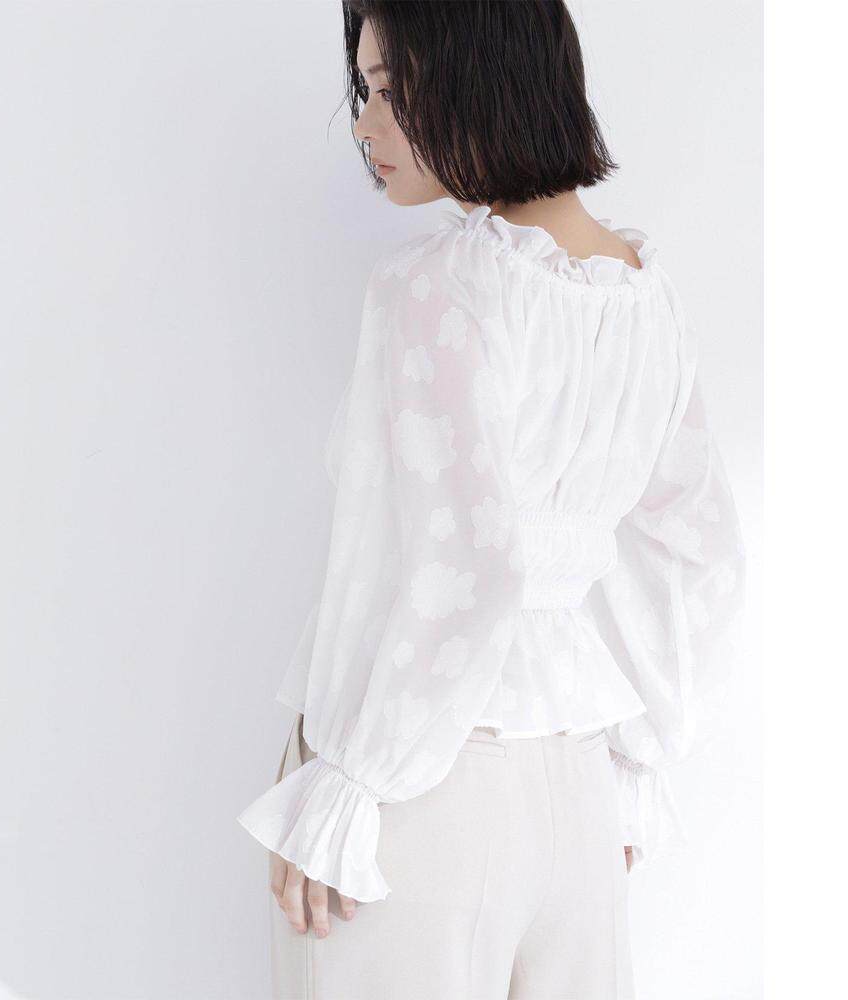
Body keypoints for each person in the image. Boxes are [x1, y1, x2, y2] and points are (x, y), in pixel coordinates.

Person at [237, 2, 746, 997]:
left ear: (481, 76)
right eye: (364, 91)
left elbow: (463, 563)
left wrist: (357, 778)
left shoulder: (437, 285)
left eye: (391, 91)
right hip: (580, 781)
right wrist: (643, 755)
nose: (364, 123)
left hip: (420, 787)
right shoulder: (645, 299)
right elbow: (699, 549)